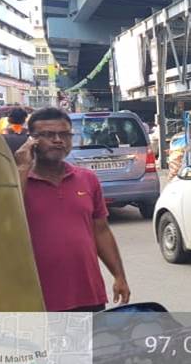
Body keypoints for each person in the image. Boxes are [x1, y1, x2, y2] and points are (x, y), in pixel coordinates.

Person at [13, 106, 130, 311]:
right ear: (31, 140)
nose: (58, 140)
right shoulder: (16, 180)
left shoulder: (87, 179)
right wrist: (22, 168)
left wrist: (119, 276)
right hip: (37, 299)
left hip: (88, 294)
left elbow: (100, 231)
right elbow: (8, 218)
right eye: (49, 135)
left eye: (65, 134)